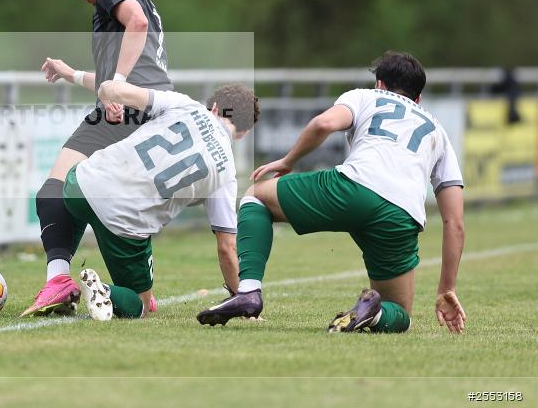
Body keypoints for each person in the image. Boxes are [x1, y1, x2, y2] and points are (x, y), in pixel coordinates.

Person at [197, 51, 467, 334]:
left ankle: (249, 291)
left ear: (380, 84)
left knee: (256, 197)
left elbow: (323, 124)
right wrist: (446, 288)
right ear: (419, 99)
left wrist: (289, 161)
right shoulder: (438, 131)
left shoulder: (366, 97)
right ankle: (375, 313)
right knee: (400, 314)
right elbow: (455, 223)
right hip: (401, 215)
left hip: (352, 189)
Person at [22, 0, 174, 316]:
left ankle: (58, 280)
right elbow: (123, 69)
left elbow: (134, 27)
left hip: (129, 109)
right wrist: (71, 73)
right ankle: (140, 291)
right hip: (151, 110)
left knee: (53, 191)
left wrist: (116, 87)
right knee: (109, 200)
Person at [61, 79, 258, 319]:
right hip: (123, 222)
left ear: (214, 107)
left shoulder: (185, 104)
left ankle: (57, 277)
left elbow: (110, 88)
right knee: (141, 305)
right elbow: (227, 247)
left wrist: (107, 97)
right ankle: (104, 290)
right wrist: (245, 302)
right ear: (244, 133)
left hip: (82, 183)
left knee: (76, 201)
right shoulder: (227, 174)